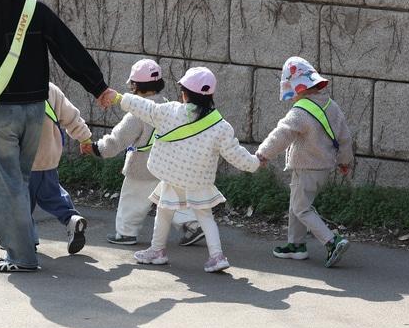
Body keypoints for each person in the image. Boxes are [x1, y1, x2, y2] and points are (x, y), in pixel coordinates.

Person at [0, 0, 115, 274]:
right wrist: (98, 86)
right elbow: (68, 50)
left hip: (0, 113)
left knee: (8, 185)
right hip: (35, 109)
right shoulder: (37, 12)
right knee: (22, 179)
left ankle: (21, 256)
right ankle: (22, 245)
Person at [114, 66, 260, 273]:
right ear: (210, 95)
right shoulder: (221, 126)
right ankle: (217, 256)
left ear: (185, 93)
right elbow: (235, 153)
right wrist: (254, 163)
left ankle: (157, 251)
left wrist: (120, 98)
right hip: (198, 181)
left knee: (163, 212)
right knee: (205, 217)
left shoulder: (170, 111)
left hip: (171, 177)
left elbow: (146, 107)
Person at [256, 56, 355, 267]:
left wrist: (263, 153)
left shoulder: (300, 112)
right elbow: (345, 137)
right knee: (297, 206)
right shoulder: (332, 106)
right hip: (323, 168)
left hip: (305, 168)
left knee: (301, 209)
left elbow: (281, 134)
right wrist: (345, 161)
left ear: (298, 89)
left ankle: (331, 241)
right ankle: (296, 245)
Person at [85, 59, 165, 245]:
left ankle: (126, 233)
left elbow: (118, 138)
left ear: (135, 85)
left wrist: (98, 148)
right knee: (173, 200)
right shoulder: (167, 104)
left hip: (142, 166)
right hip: (167, 163)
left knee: (132, 200)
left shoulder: (137, 113)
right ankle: (192, 225)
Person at [30, 83, 92, 254]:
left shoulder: (12, 85)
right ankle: (71, 219)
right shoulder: (51, 89)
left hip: (24, 160)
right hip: (49, 158)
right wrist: (85, 137)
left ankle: (26, 241)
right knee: (53, 195)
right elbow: (71, 116)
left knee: (20, 204)